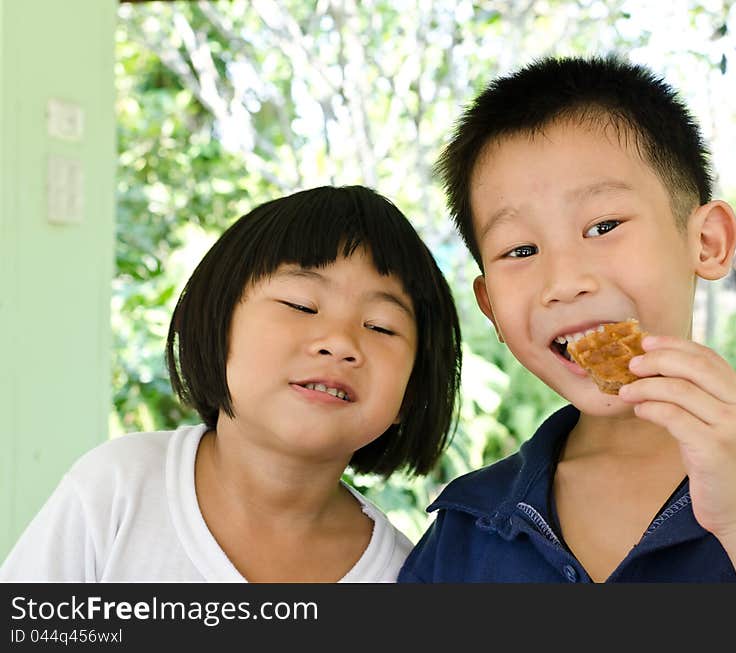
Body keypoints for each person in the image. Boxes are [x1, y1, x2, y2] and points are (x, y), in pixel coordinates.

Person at [398, 55, 736, 583]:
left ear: (706, 242)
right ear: (490, 305)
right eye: (520, 250)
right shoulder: (465, 531)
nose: (564, 281)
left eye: (604, 226)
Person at [1, 185, 461, 582]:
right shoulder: (118, 488)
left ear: (413, 389)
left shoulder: (403, 577)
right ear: (216, 325)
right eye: (301, 304)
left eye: (380, 327)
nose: (340, 343)